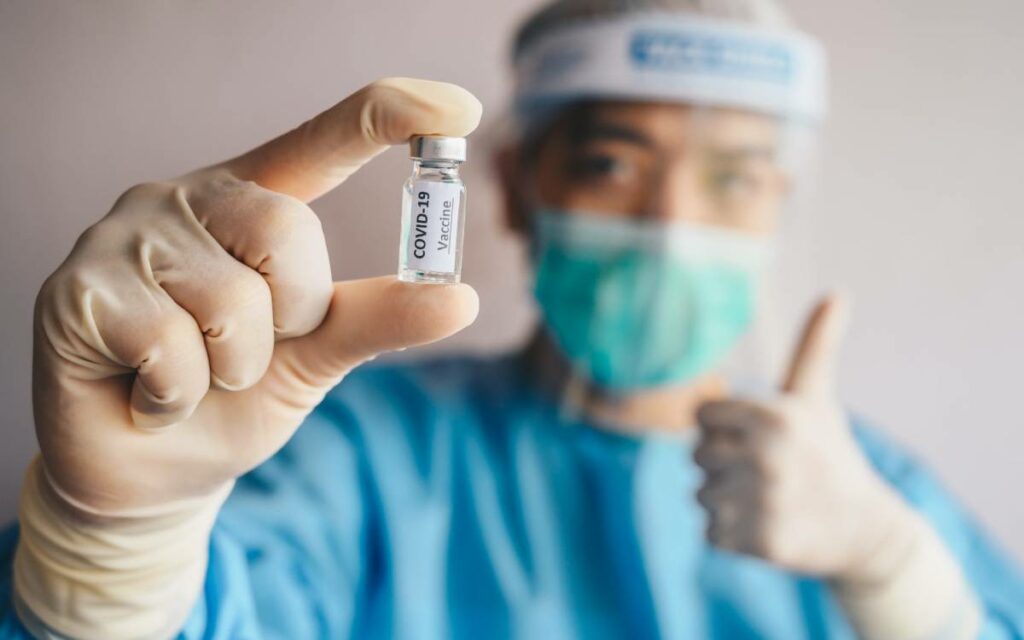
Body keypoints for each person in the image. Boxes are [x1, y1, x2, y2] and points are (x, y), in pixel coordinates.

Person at [2, 0, 1023, 638]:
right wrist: (111, 553)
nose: (669, 228)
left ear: (781, 203)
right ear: (511, 184)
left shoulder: (869, 497)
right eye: (610, 164)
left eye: (733, 178)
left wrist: (898, 584)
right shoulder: (360, 449)